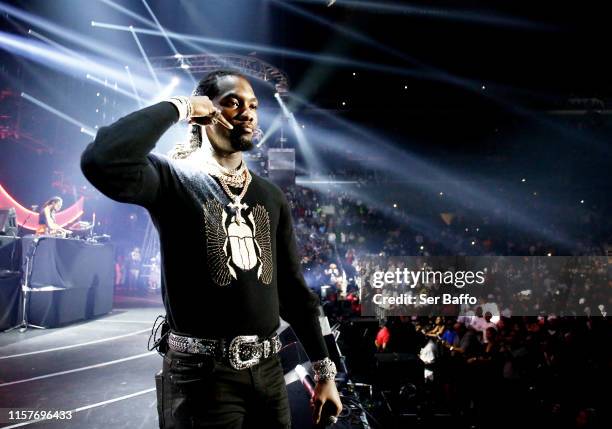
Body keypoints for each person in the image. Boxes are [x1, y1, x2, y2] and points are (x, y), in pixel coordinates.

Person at [81, 69, 341, 428]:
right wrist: (180, 106)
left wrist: (325, 372)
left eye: (252, 105)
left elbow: (295, 294)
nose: (247, 112)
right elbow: (102, 157)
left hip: (269, 373)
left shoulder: (271, 195)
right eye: (232, 103)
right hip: (201, 379)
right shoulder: (172, 179)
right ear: (205, 112)